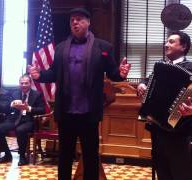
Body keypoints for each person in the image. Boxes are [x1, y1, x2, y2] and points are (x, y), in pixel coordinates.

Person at [28, 8, 131, 180]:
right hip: (66, 112)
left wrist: (120, 73)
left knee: (90, 155)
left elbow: (113, 73)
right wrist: (40, 76)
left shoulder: (103, 47)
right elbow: (53, 74)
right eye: (72, 20)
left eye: (79, 19)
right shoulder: (60, 48)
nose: (75, 22)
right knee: (65, 156)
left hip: (89, 113)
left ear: (88, 22)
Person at [137, 31, 192, 180]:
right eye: (166, 42)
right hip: (156, 126)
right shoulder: (161, 66)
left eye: (171, 42)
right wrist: (142, 84)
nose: (166, 44)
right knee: (163, 171)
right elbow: (148, 81)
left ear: (183, 46)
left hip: (178, 127)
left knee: (181, 172)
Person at [0, 74, 45, 166]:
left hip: (29, 119)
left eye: (26, 83)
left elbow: (42, 110)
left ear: (30, 83)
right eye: (22, 83)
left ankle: (22, 156)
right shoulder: (15, 93)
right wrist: (12, 105)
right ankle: (7, 154)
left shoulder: (37, 94)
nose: (24, 85)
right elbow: (7, 108)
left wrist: (29, 108)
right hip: (15, 118)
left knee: (20, 130)